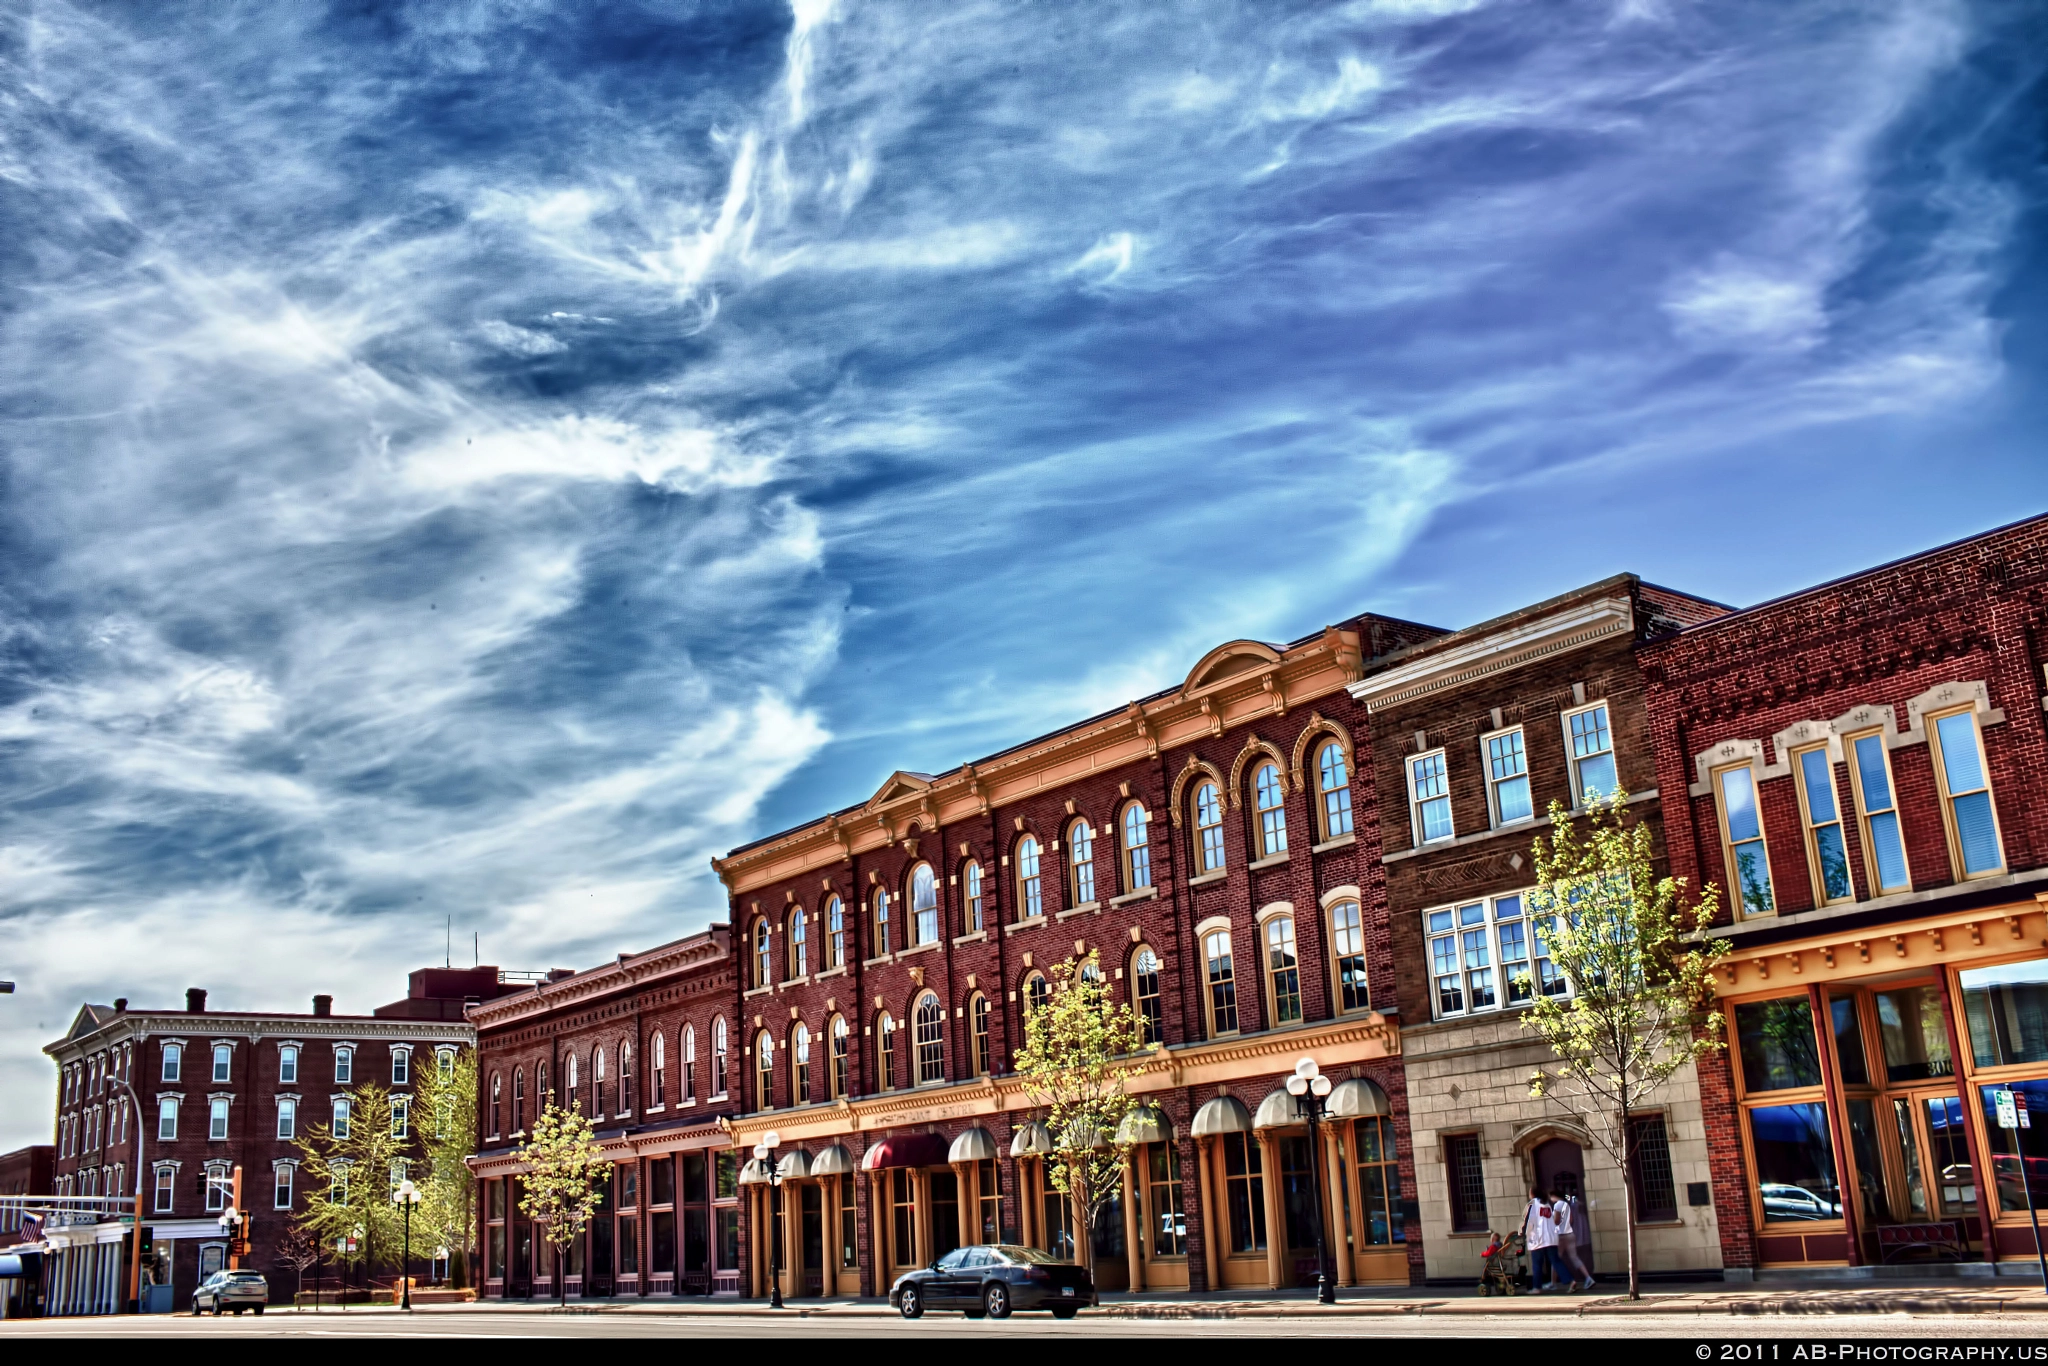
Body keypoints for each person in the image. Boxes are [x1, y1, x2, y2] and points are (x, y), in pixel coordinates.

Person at [1552, 1185, 1592, 1293]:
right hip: (1570, 1234)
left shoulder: (1557, 1205)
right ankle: (1588, 1278)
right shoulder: (1566, 1205)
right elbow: (1571, 1219)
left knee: (1556, 1258)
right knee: (1574, 1257)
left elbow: (1556, 1221)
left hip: (1561, 1235)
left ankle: (1553, 1283)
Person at [1522, 1186, 1562, 1292]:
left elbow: (1530, 1221)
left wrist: (1525, 1233)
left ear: (1532, 1193)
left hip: (1538, 1238)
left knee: (1537, 1264)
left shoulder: (1533, 1204)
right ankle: (1569, 1280)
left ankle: (1537, 1287)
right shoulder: (1546, 1204)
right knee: (1555, 1260)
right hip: (1549, 1237)